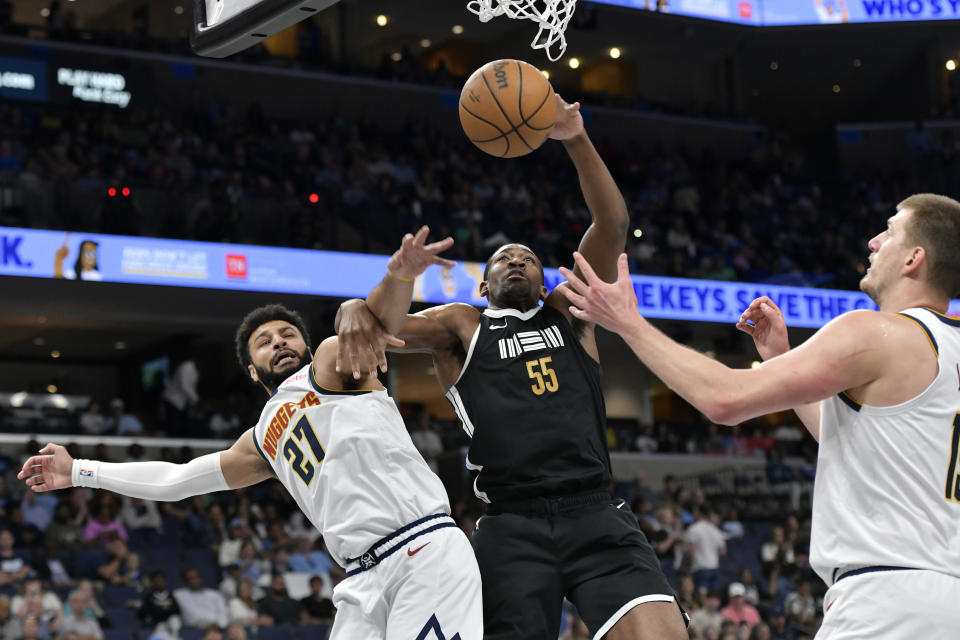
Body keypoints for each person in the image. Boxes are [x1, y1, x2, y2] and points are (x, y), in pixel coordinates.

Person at [336, 97, 688, 639]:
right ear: (484, 286)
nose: (516, 260)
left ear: (546, 281)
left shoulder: (570, 311)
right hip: (509, 522)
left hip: (595, 509)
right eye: (504, 258)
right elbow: (384, 324)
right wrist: (370, 295)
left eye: (527, 257)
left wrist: (574, 136)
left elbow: (613, 221)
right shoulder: (462, 326)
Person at [556, 193, 960, 638]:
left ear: (913, 259)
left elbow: (723, 400)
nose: (873, 241)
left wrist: (627, 322)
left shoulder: (875, 331)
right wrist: (778, 360)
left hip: (888, 602)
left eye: (889, 232)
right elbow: (856, 438)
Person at [18, 301, 481, 640]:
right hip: (361, 577)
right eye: (264, 342)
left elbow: (373, 320)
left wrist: (371, 294)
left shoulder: (332, 366)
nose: (278, 341)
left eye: (287, 334)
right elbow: (178, 480)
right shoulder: (261, 439)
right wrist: (80, 470)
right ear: (253, 373)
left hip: (422, 547)